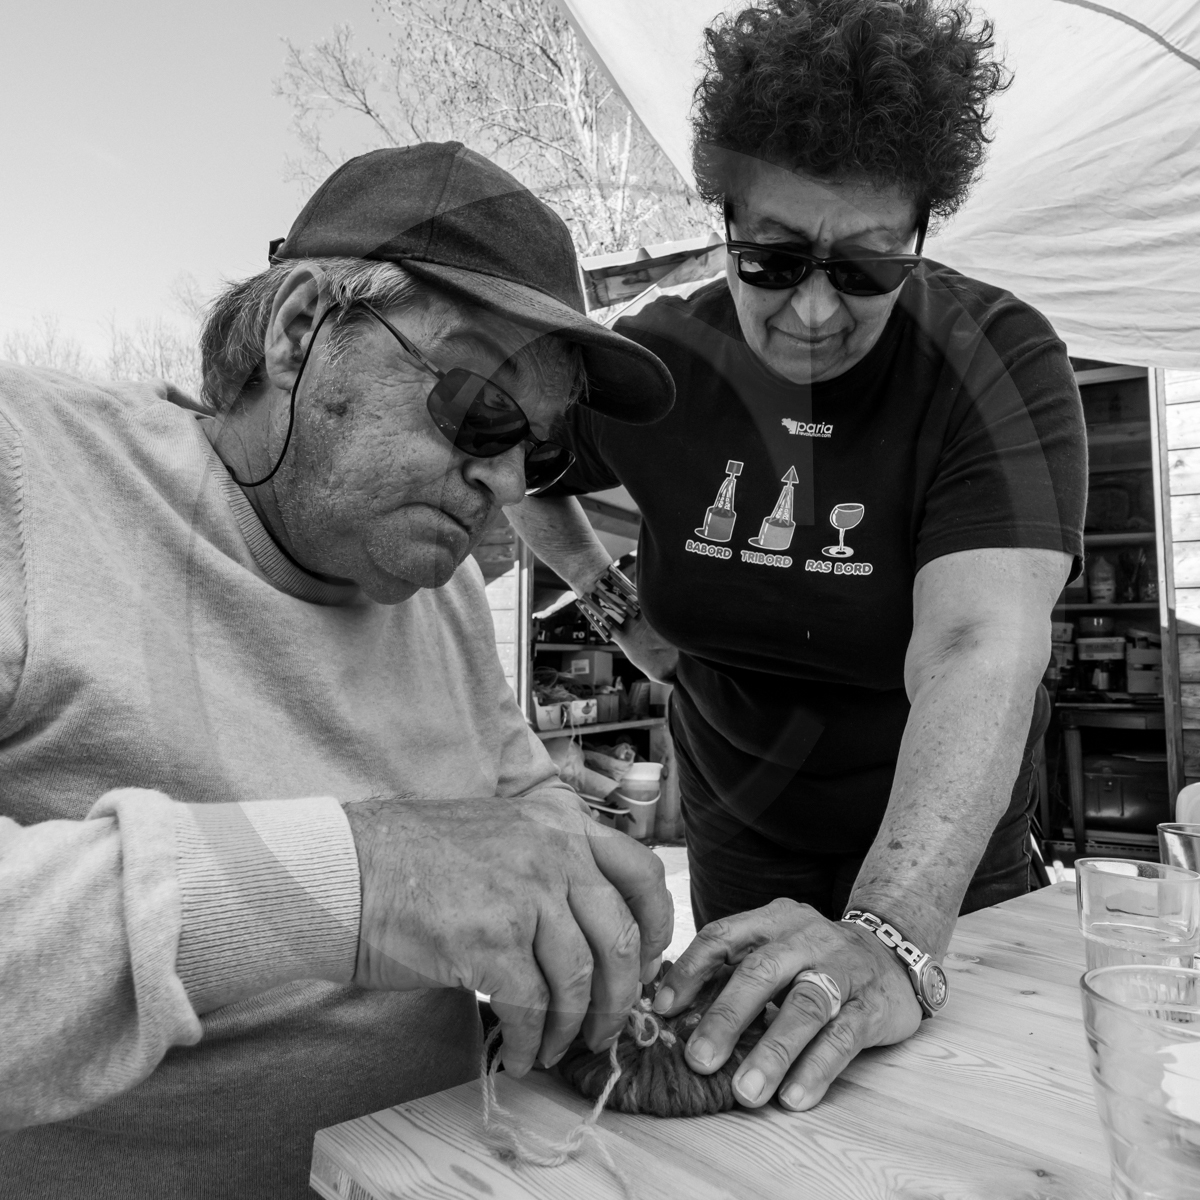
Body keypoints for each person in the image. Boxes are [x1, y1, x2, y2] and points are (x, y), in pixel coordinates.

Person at [0, 142, 675, 1198]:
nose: (503, 482)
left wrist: (605, 955)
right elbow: (412, 864)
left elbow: (522, 812)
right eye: (481, 408)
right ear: (301, 328)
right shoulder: (28, 473)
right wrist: (357, 875)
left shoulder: (436, 593)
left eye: (536, 452)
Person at [507, 0, 1086, 1116]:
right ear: (723, 219)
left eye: (867, 269)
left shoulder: (995, 360)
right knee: (756, 1116)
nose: (815, 310)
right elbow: (519, 463)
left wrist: (891, 932)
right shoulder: (656, 361)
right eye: (771, 260)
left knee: (968, 1122)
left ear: (922, 232)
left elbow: (978, 643)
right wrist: (616, 604)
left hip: (947, 865)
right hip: (744, 829)